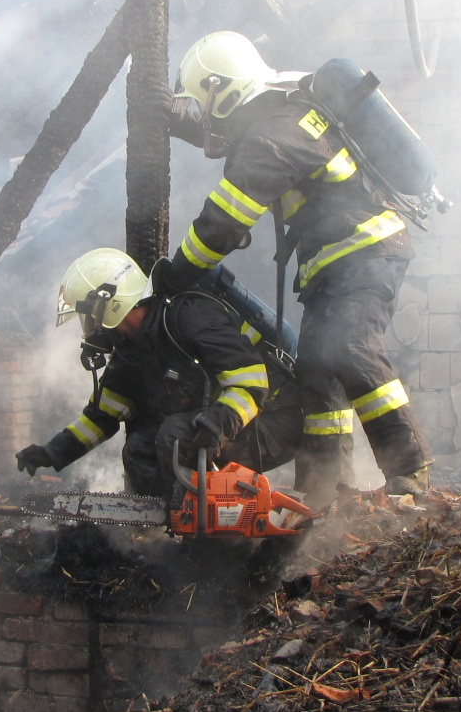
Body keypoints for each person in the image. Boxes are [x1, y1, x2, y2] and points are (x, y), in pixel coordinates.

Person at [151, 30, 432, 496]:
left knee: (352, 346)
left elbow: (223, 223)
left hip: (365, 252)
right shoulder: (280, 113)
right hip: (336, 263)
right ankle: (326, 489)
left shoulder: (273, 136)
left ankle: (411, 474)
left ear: (223, 89)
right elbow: (234, 139)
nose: (207, 115)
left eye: (204, 103)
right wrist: (179, 122)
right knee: (318, 375)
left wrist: (178, 273)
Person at [15, 248, 338, 502]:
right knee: (140, 446)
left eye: (90, 318)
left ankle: (203, 528)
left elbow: (251, 385)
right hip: (227, 425)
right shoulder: (131, 351)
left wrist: (215, 427)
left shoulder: (192, 318)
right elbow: (102, 417)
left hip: (275, 419)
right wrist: (52, 452)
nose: (91, 329)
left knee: (175, 434)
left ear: (112, 304)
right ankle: (158, 527)